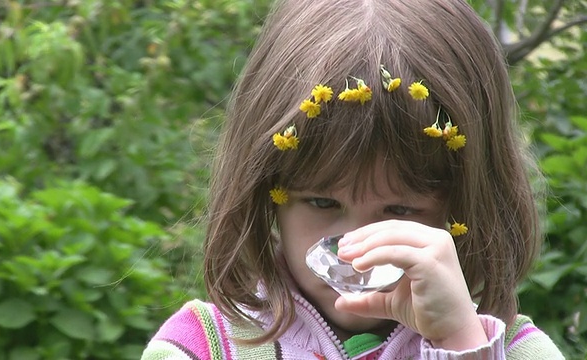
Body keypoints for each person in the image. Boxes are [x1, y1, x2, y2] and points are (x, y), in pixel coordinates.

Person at [141, 0, 565, 358]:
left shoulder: (514, 349)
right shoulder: (200, 347)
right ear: (265, 191)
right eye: (322, 203)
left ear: (464, 203)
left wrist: (460, 342)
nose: (353, 252)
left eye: (399, 210)